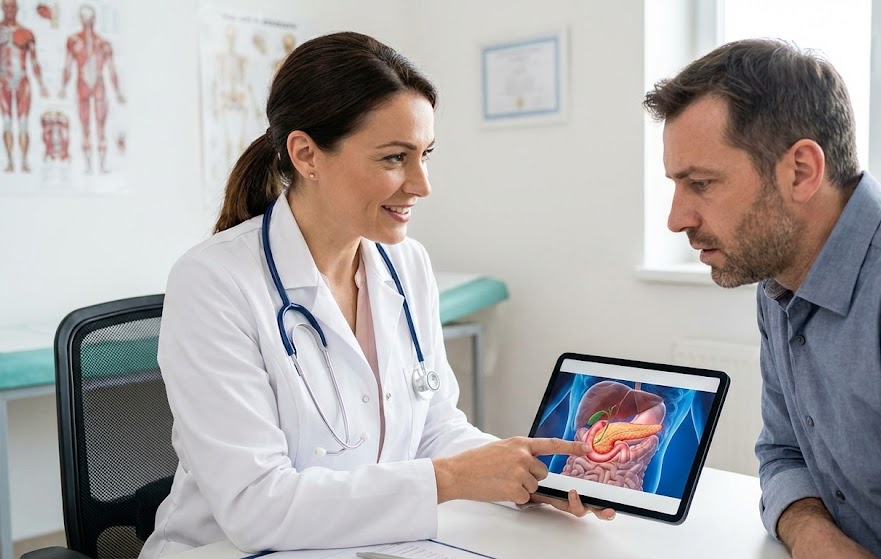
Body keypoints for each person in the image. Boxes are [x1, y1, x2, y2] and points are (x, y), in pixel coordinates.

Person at [141, 32, 612, 559]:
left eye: (426, 154)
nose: (422, 184)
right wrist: (450, 478)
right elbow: (257, 507)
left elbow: (434, 426)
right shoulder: (214, 282)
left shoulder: (406, 264)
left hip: (370, 544)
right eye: (394, 158)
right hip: (229, 551)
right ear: (306, 155)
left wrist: (524, 476)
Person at [643, 38, 881, 558]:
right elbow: (781, 456)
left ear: (801, 170)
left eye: (702, 183)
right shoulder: (781, 277)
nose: (676, 219)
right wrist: (814, 536)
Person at [59, 4, 125, 174]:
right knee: (85, 126)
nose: (87, 23)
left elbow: (112, 69)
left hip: (99, 86)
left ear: (94, 20)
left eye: (90, 19)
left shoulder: (103, 44)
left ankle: (102, 166)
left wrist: (117, 92)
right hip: (82, 84)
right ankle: (88, 166)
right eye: (84, 19)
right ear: (81, 19)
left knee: (101, 126)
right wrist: (63, 87)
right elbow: (67, 66)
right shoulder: (74, 41)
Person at [0, 0, 48, 173]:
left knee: (23, 123)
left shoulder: (26, 33)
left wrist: (41, 84)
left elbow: (34, 60)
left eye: (12, 6)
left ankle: (25, 161)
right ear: (2, 8)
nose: (9, 10)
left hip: (23, 81)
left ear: (17, 9)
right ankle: (10, 162)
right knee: (6, 122)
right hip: (2, 81)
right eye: (6, 6)